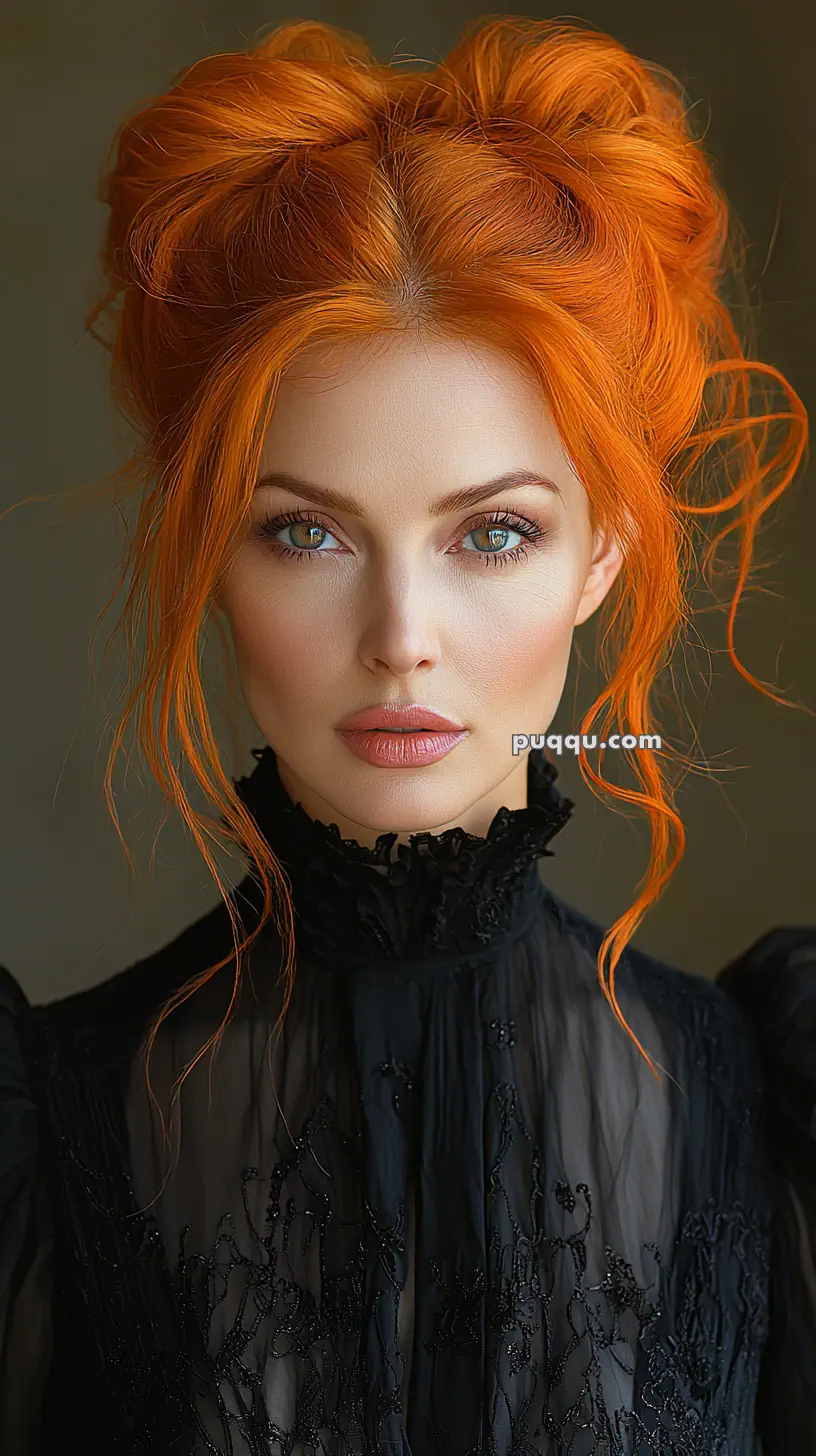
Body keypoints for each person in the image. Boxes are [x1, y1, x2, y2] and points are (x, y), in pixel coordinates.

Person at [0, 14, 813, 1455]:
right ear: (208, 548)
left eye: (493, 532)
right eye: (304, 531)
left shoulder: (776, 1104)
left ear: (605, 552)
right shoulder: (43, 1123)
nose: (402, 634)